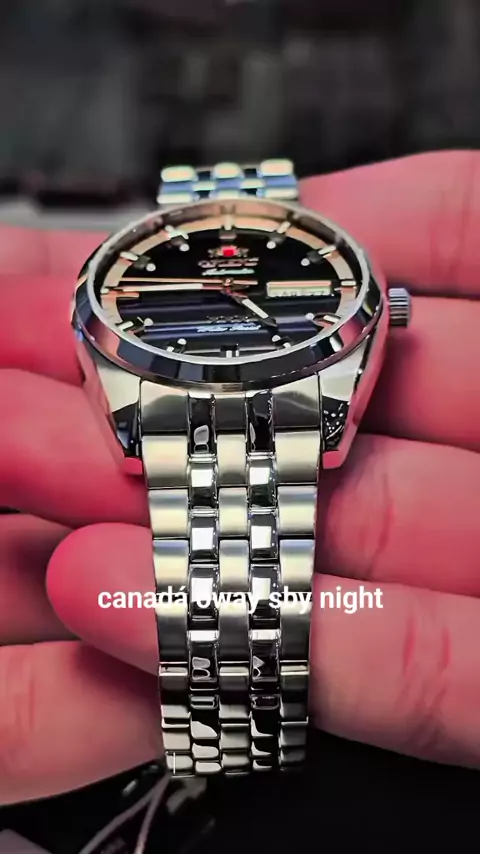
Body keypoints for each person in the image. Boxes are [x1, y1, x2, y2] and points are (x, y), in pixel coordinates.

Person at [1, 149, 479, 806]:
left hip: (244, 389)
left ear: (383, 309)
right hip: (187, 390)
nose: (230, 289)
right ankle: (233, 735)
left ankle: (232, 737)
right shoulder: (317, 286)